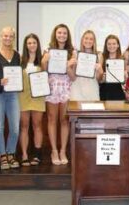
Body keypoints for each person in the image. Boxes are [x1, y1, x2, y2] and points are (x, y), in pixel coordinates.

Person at [41, 24, 76, 165]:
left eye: (64, 33)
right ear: (55, 34)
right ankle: (54, 151)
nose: (62, 35)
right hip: (52, 88)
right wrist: (44, 62)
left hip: (66, 88)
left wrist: (67, 67)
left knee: (64, 120)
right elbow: (43, 73)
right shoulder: (47, 51)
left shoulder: (72, 53)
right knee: (51, 119)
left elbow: (73, 77)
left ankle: (63, 151)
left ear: (68, 36)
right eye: (59, 33)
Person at [0, 26, 21, 170]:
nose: (7, 38)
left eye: (10, 36)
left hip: (12, 95)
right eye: (5, 36)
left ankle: (11, 152)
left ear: (13, 38)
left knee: (15, 127)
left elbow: (17, 74)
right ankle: (2, 155)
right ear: (1, 36)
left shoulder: (17, 55)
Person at [19, 33, 45, 166]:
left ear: (38, 44)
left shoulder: (43, 60)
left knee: (37, 126)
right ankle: (24, 155)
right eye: (29, 43)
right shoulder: (20, 60)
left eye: (34, 42)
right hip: (23, 97)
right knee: (24, 126)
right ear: (25, 45)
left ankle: (37, 154)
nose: (32, 45)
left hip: (38, 97)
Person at [70, 30, 103, 101]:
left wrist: (100, 71)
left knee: (93, 111)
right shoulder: (75, 53)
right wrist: (72, 65)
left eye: (91, 39)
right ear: (82, 40)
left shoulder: (99, 55)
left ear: (94, 42)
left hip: (92, 87)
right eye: (86, 38)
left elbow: (99, 79)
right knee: (76, 111)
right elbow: (73, 77)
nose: (88, 41)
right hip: (77, 87)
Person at [99, 34, 127, 100]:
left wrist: (125, 77)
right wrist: (102, 79)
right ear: (106, 45)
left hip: (118, 91)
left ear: (118, 45)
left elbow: (123, 82)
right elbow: (99, 80)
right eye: (109, 44)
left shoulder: (122, 59)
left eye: (114, 44)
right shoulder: (102, 57)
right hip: (104, 92)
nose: (111, 46)